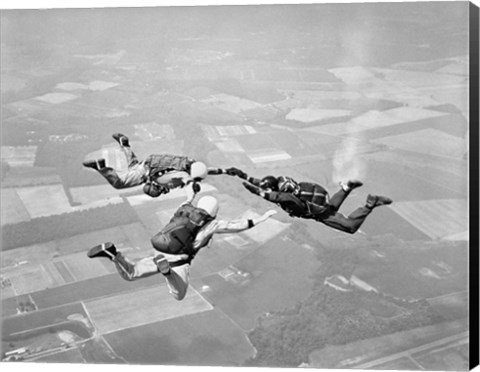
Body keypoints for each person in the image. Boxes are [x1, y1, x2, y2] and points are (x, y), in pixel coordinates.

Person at [87, 183, 277, 300]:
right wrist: (262, 218)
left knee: (131, 273)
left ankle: (113, 254)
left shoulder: (184, 210)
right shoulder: (211, 224)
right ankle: (168, 274)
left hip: (159, 251)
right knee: (178, 295)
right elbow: (238, 225)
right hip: (177, 261)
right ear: (214, 212)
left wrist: (193, 192)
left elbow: (187, 198)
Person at [225, 167, 392, 234]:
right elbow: (263, 183)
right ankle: (346, 188)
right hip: (320, 203)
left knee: (350, 227)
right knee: (329, 209)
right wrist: (242, 175)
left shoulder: (286, 198)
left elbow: (275, 196)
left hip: (318, 212)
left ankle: (370, 203)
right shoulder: (280, 183)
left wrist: (257, 193)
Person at [83, 133, 229, 197]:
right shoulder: (181, 176)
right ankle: (100, 166)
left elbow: (206, 171)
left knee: (133, 166)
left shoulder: (192, 166)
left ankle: (124, 143)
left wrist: (225, 171)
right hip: (149, 169)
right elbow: (187, 180)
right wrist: (192, 188)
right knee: (119, 184)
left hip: (150, 162)